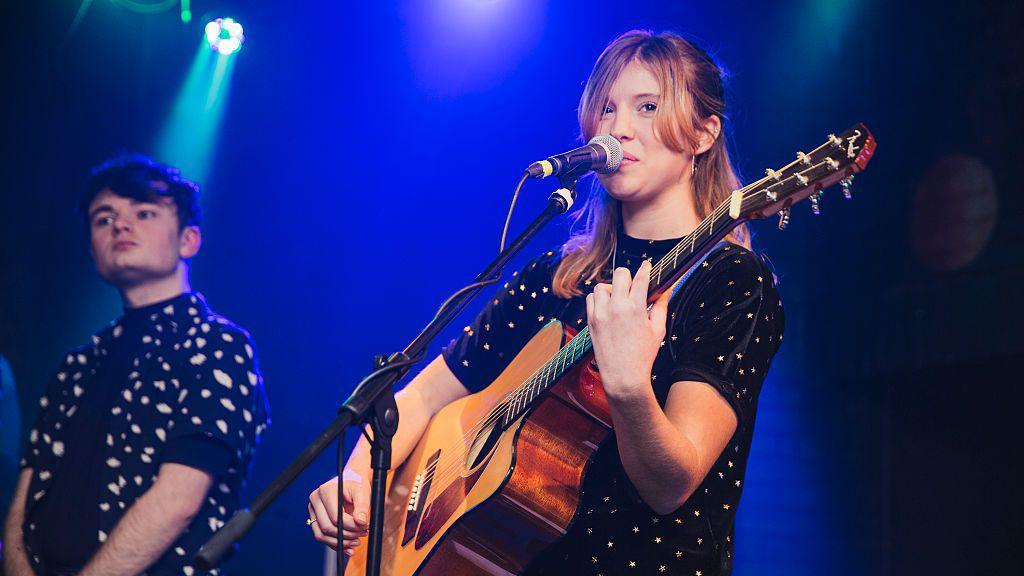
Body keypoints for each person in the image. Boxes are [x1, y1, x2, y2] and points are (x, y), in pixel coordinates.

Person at [308, 30, 784, 575]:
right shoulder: (557, 276)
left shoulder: (729, 282)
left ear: (703, 134)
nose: (618, 128)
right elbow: (421, 399)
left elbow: (670, 486)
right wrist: (359, 475)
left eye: (647, 107)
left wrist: (627, 386)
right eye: (605, 108)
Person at [2, 155, 270, 576]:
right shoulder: (77, 363)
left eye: (143, 212)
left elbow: (179, 499)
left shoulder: (218, 345)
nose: (120, 225)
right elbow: (25, 495)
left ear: (189, 240)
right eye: (103, 218)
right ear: (91, 249)